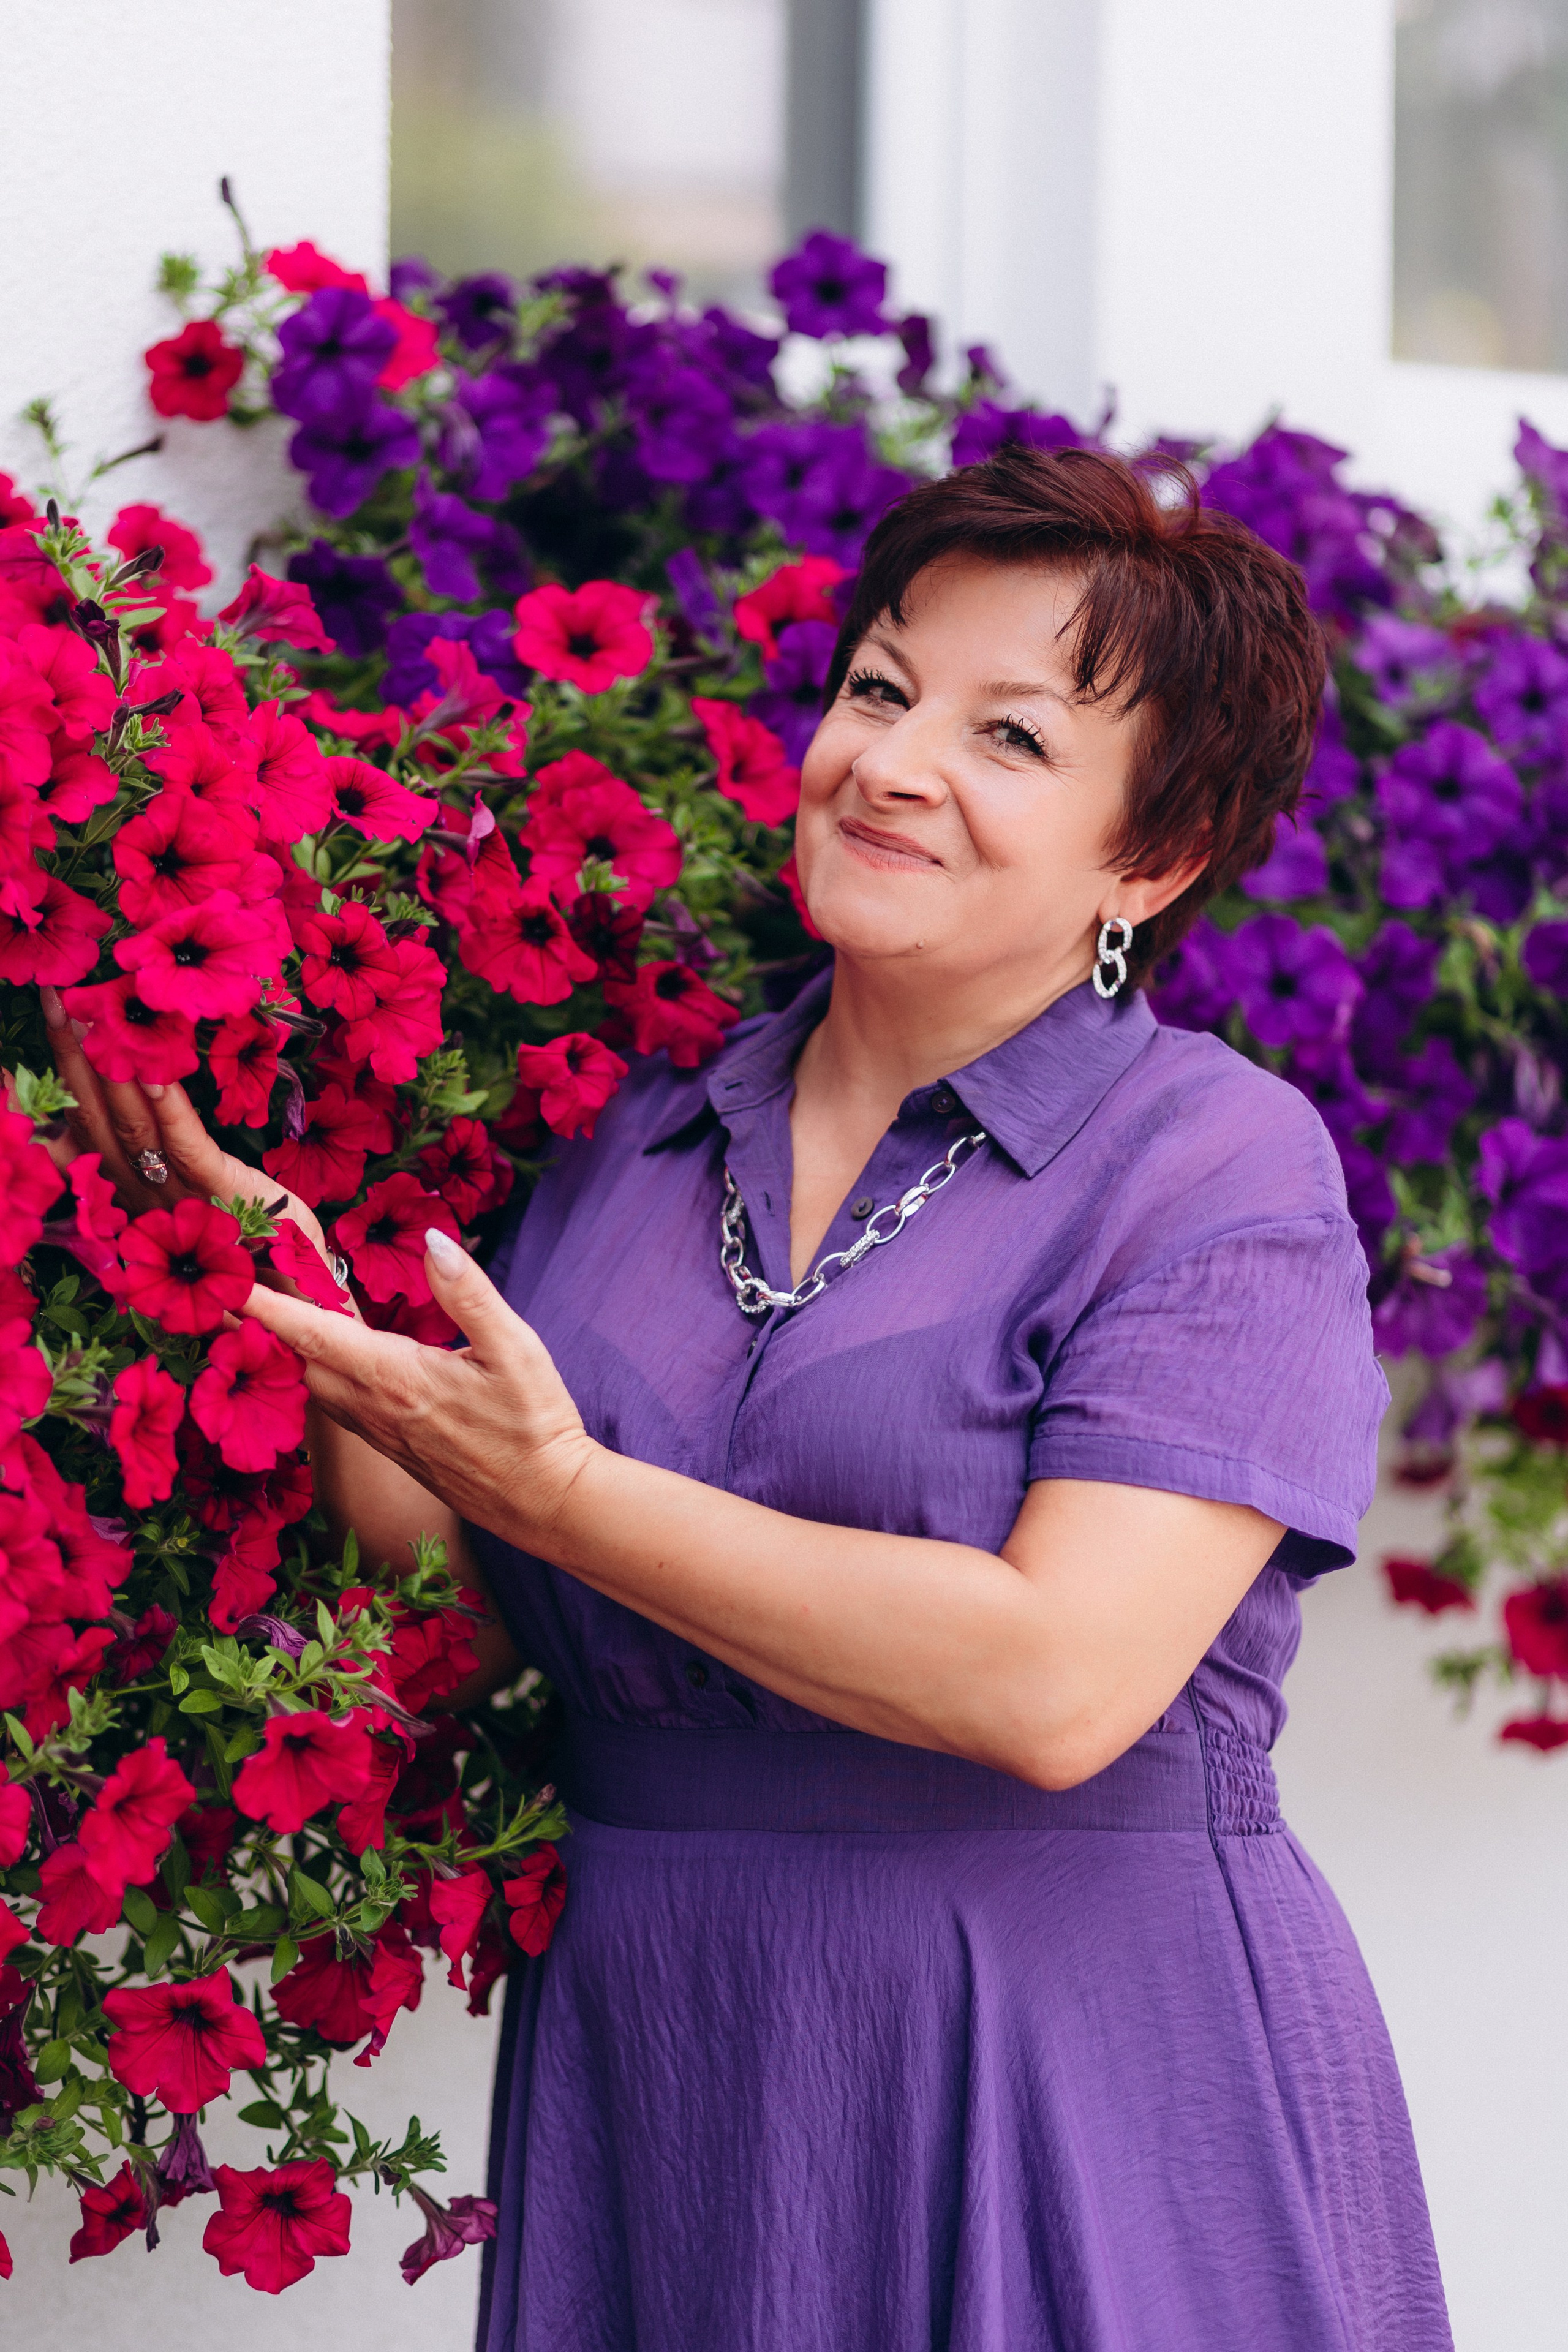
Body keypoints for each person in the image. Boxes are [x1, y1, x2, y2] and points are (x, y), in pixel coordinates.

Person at [45, 446, 1453, 2351]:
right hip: (682, 2063)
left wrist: (561, 1495)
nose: (892, 759)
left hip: (1063, 2053)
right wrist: (282, 1302)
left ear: (1154, 856)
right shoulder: (642, 1138)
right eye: (880, 687)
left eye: (1011, 739)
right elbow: (473, 1606)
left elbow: (1053, 1684)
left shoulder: (1214, 1168)